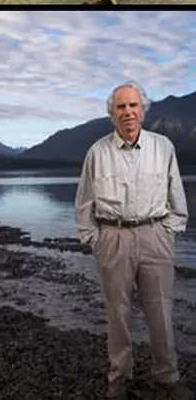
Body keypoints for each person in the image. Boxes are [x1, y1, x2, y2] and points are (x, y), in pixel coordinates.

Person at [75, 81, 191, 400]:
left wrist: (169, 230)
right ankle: (119, 376)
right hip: (113, 237)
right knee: (118, 312)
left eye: (133, 105)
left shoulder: (163, 147)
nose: (128, 112)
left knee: (161, 311)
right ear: (112, 113)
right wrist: (95, 239)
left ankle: (166, 376)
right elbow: (84, 202)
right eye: (121, 107)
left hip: (155, 236)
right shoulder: (97, 152)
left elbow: (175, 193)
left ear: (143, 109)